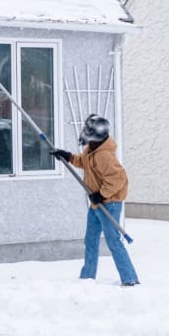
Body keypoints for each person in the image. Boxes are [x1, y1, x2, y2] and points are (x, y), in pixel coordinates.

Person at [52, 114, 139, 286]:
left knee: (113, 241)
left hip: (109, 204)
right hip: (96, 205)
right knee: (90, 240)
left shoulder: (104, 155)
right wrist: (67, 156)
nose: (84, 133)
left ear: (95, 134)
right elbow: (83, 162)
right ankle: (87, 278)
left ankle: (130, 278)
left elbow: (118, 178)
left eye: (87, 130)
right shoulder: (92, 149)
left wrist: (101, 194)